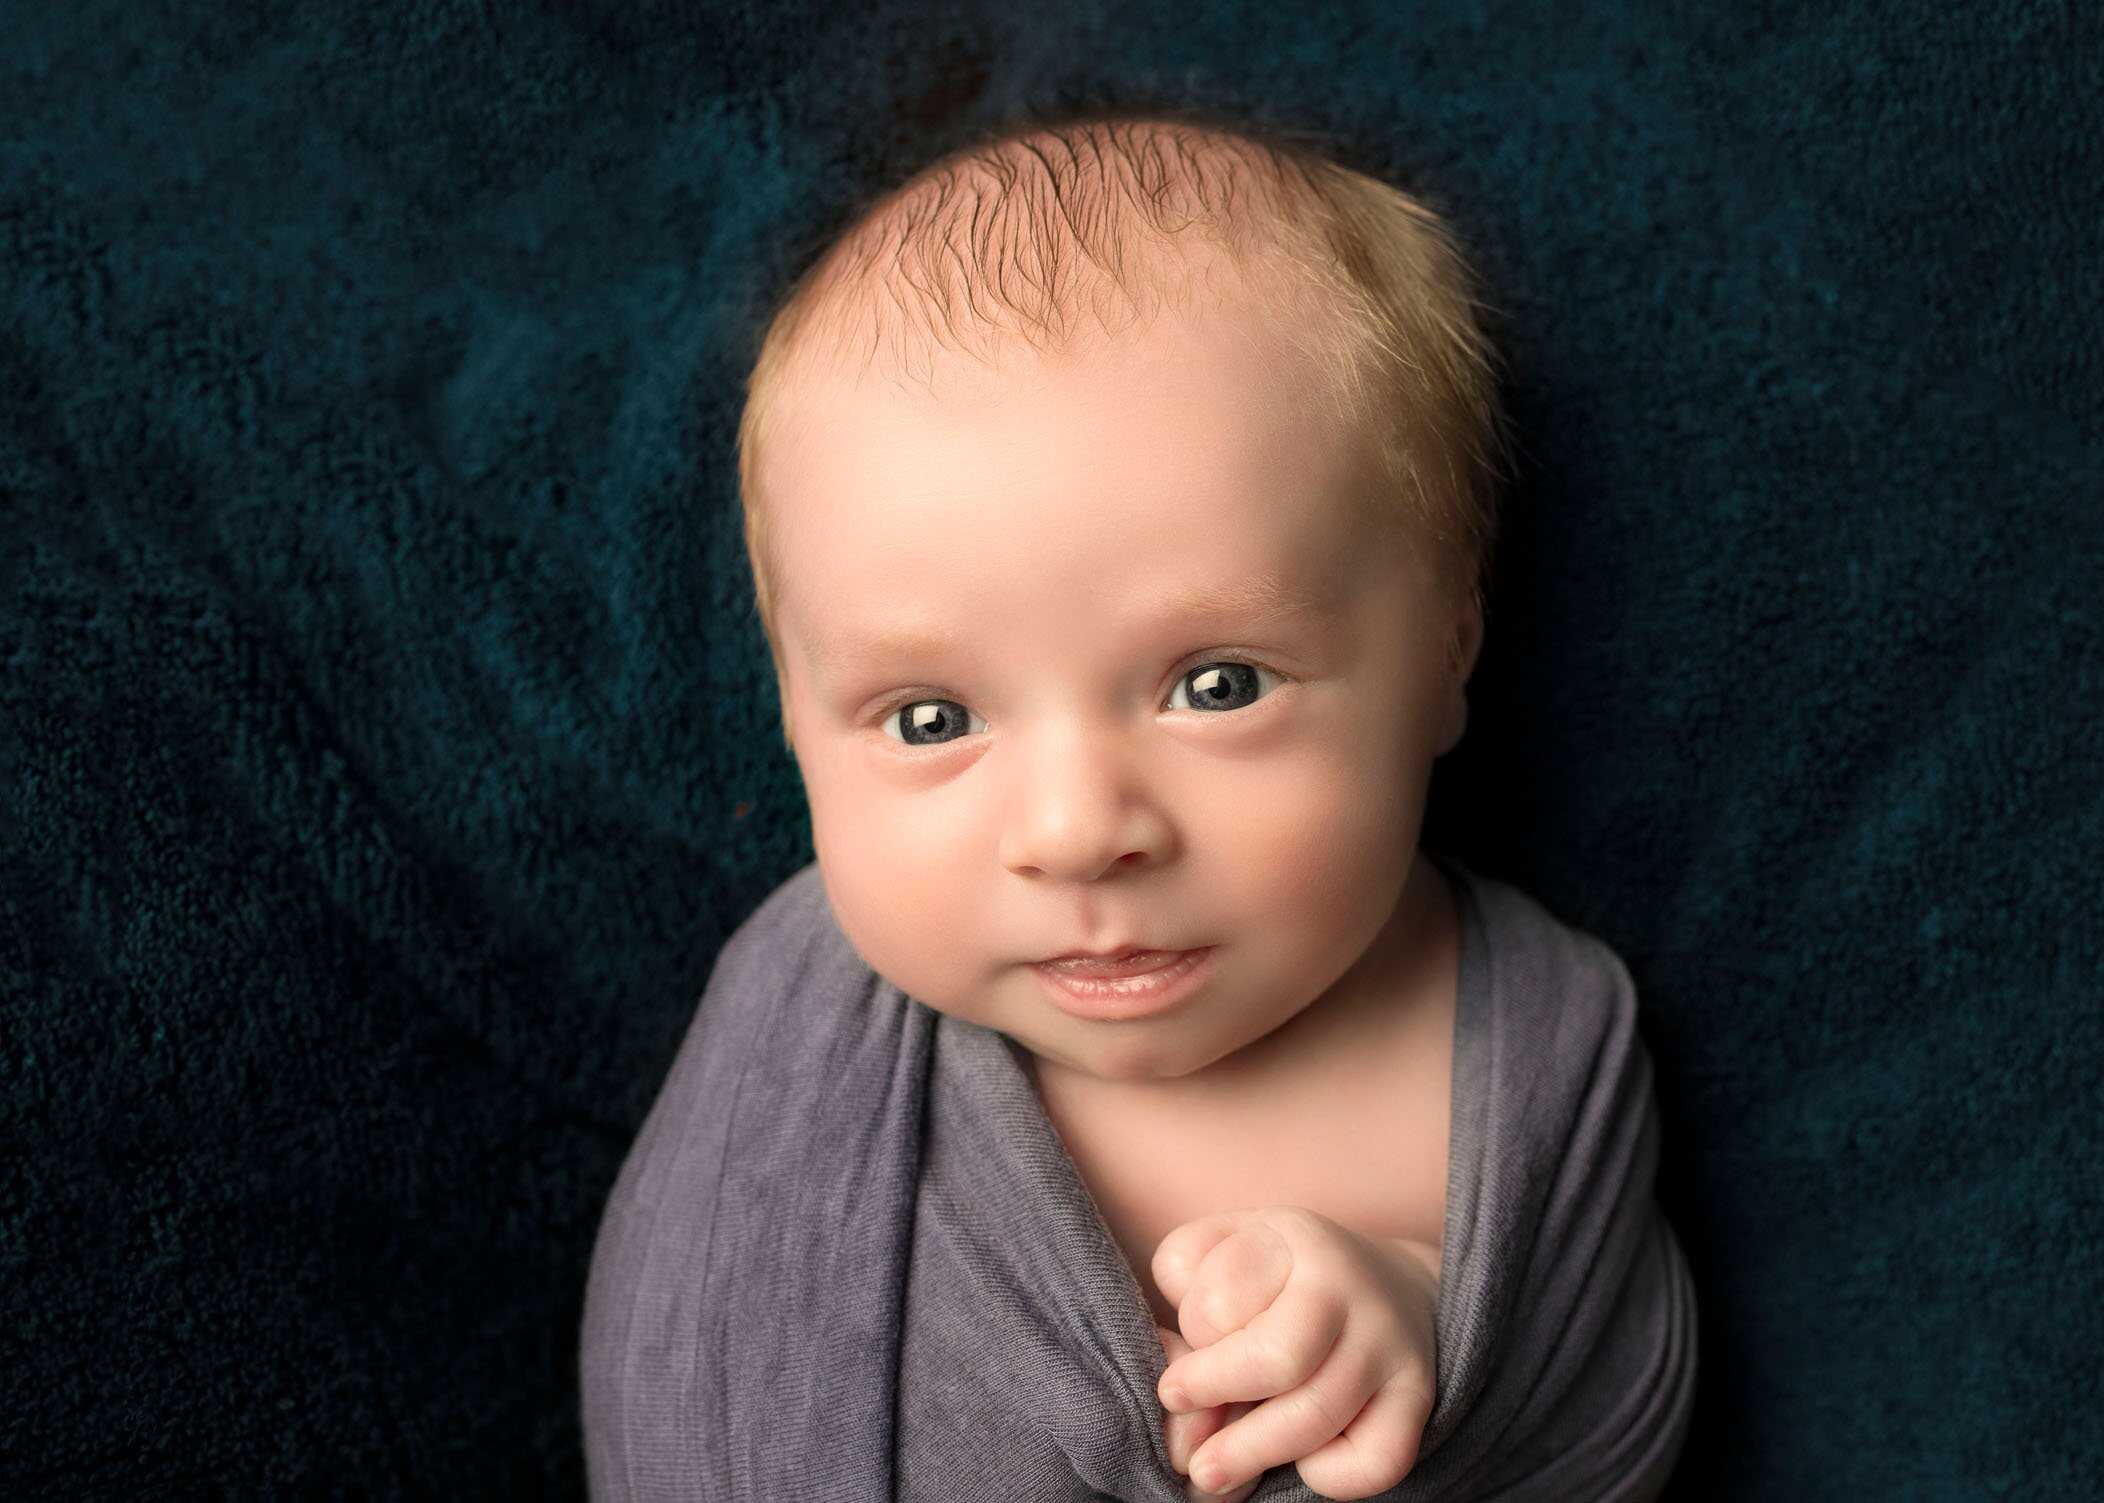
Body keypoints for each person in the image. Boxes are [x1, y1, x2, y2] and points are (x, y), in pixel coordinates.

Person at [598, 108, 1694, 1501]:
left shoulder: (1534, 1042)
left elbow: (1613, 1403)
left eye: (1217, 685)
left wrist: (1421, 1314)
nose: (1076, 831)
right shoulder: (797, 1046)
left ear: (1444, 655)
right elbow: (678, 1388)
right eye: (931, 721)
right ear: (794, 719)